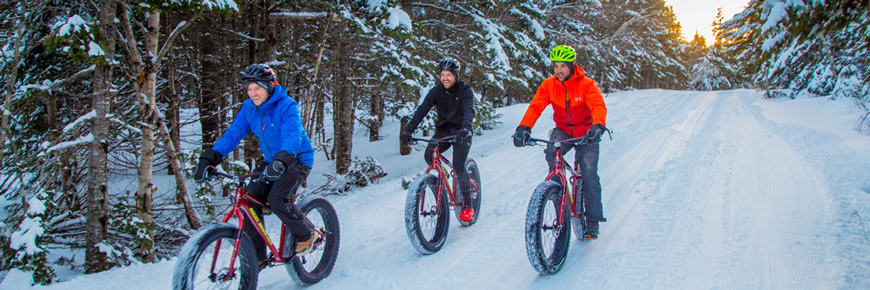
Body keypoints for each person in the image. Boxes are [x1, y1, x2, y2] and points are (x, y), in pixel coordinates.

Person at [194, 64, 319, 265]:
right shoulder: (249, 108)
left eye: (257, 88)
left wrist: (282, 160)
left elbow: (292, 136)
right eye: (249, 88)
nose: (252, 93)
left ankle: (307, 234)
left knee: (277, 199)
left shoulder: (287, 106)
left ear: (269, 86)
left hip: (296, 159)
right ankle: (257, 257)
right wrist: (211, 157)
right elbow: (233, 135)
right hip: (272, 161)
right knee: (249, 200)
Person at [512, 45, 609, 237]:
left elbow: (598, 104)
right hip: (563, 130)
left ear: (572, 66)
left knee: (588, 173)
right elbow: (536, 106)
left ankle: (592, 220)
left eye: (563, 66)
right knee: (551, 155)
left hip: (586, 132)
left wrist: (597, 125)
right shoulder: (549, 85)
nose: (559, 70)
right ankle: (556, 195)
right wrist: (524, 127)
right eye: (556, 66)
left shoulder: (586, 84)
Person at [401, 57, 477, 222]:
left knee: (458, 165)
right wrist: (408, 131)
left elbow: (469, 110)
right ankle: (442, 183)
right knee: (429, 156)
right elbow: (422, 110)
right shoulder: (436, 91)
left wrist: (465, 128)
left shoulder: (465, 90)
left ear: (455, 75)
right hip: (443, 130)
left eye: (448, 74)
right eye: (442, 74)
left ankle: (468, 205)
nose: (445, 78)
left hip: (461, 132)